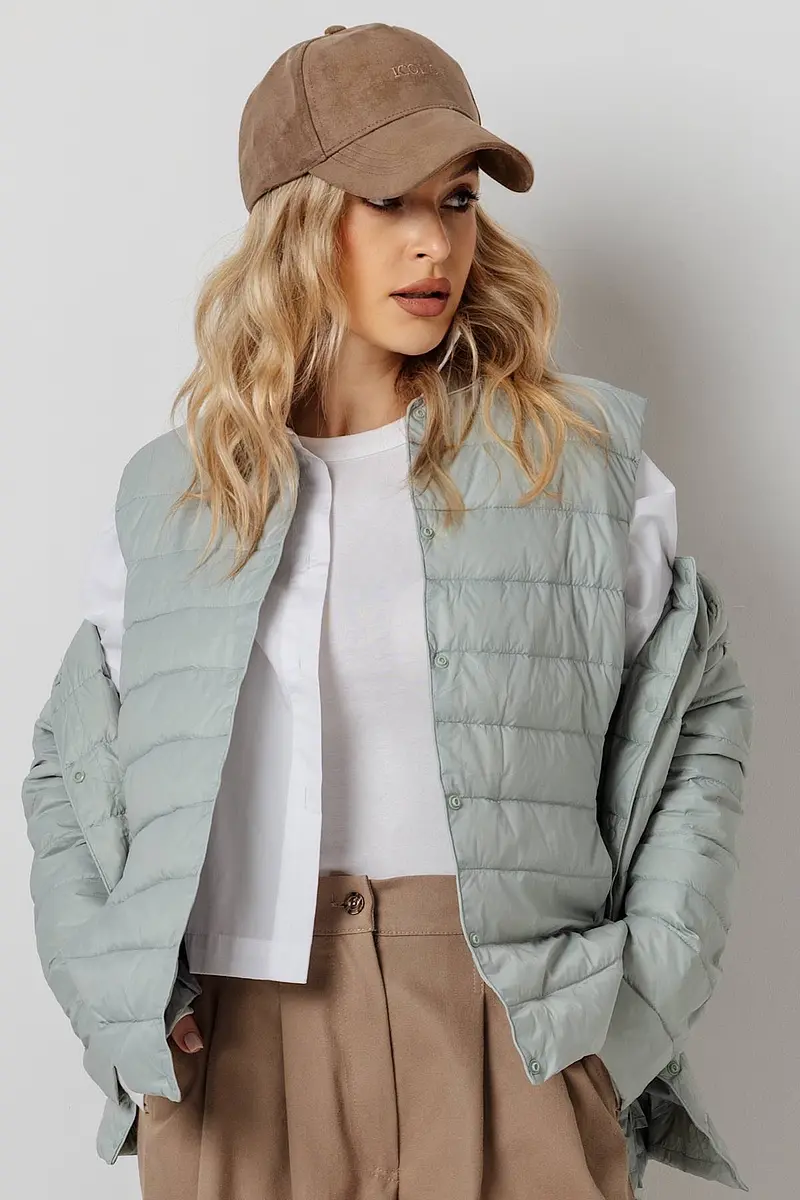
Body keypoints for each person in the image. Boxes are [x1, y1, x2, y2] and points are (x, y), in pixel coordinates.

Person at [20, 22, 753, 1200]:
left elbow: (695, 720)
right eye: (387, 201)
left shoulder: (570, 461)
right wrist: (116, 1001)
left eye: (456, 200)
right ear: (297, 223)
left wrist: (630, 1009)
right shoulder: (173, 496)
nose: (433, 243)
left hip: (510, 1030)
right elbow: (70, 768)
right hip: (235, 1051)